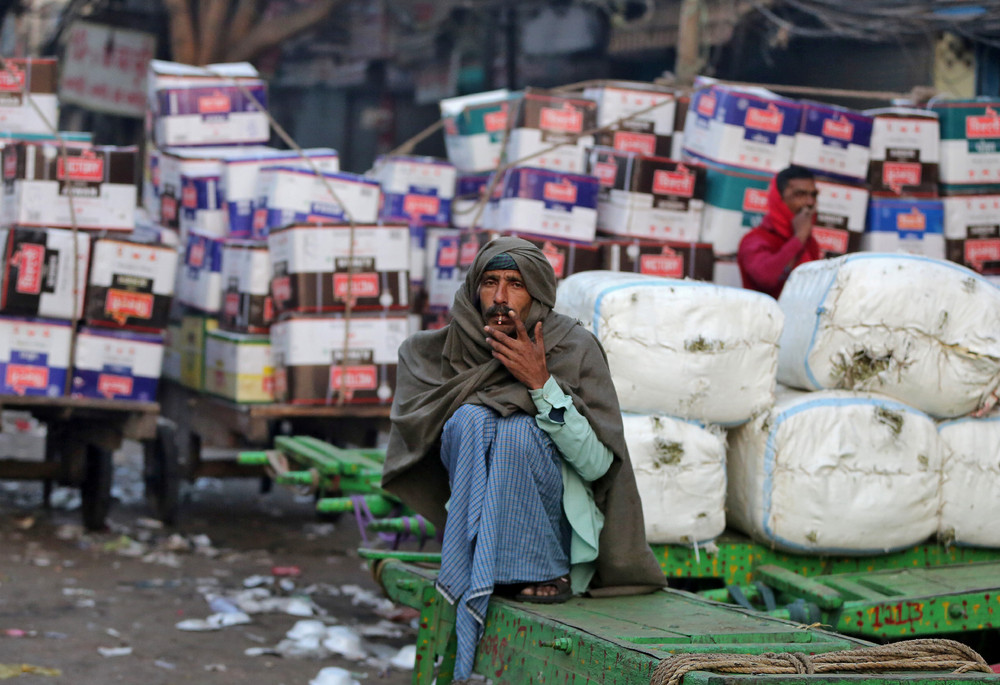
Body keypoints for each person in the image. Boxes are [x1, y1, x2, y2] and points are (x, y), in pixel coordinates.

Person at [382, 236, 665, 682]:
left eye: (515, 284)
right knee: (472, 419)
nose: (499, 298)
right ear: (474, 288)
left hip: (554, 536)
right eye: (490, 282)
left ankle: (534, 566)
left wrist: (541, 385)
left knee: (519, 429)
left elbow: (596, 466)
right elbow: (422, 449)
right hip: (471, 524)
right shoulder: (439, 350)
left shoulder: (574, 348)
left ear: (537, 293)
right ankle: (482, 556)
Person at [737, 165, 822, 299]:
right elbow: (767, 278)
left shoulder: (810, 243)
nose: (810, 202)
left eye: (813, 195)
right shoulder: (754, 240)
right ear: (778, 199)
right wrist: (798, 238)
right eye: (800, 195)